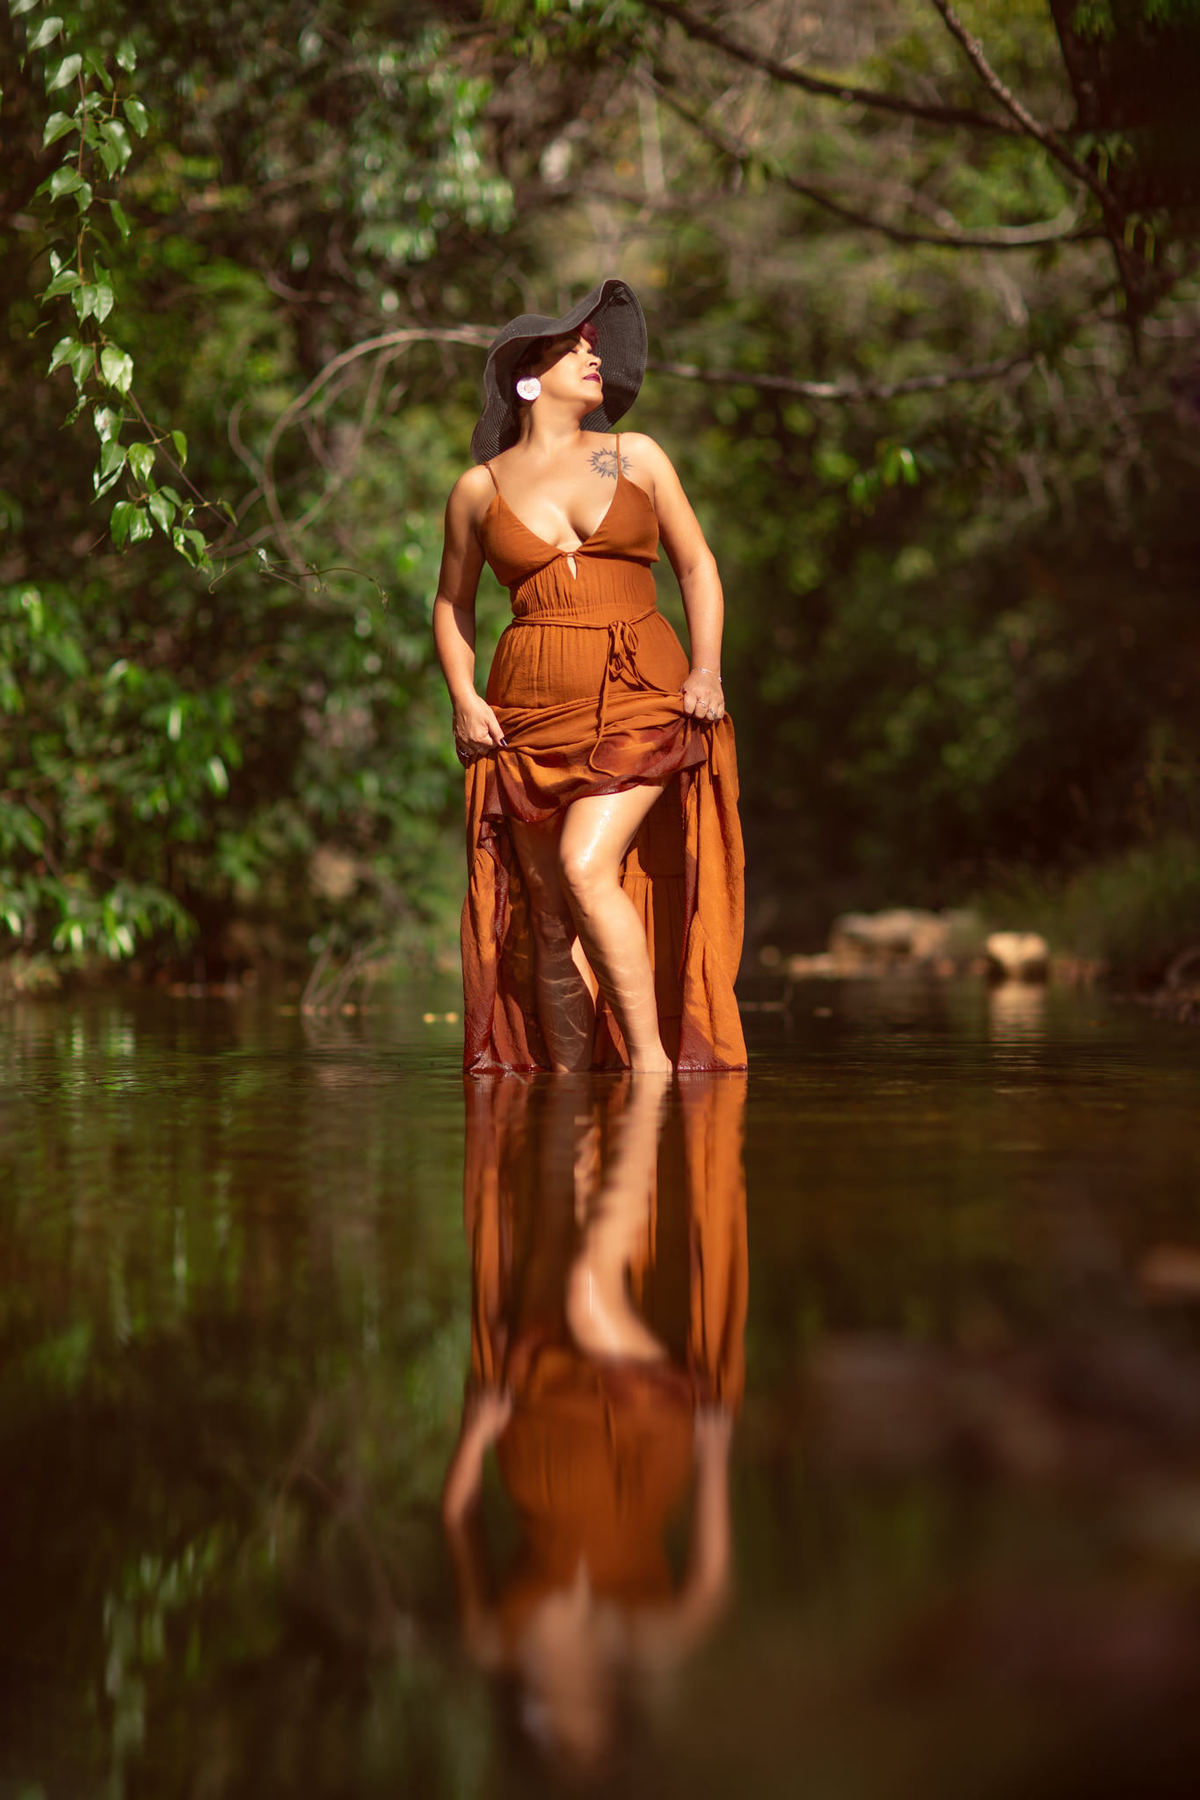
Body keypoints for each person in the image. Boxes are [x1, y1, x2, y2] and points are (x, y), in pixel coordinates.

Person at [432, 277, 746, 1073]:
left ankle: (650, 1071)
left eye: (593, 347)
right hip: (527, 710)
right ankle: (567, 1103)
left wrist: (706, 669)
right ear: (527, 377)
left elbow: (698, 566)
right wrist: (464, 699)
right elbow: (452, 605)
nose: (591, 356)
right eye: (572, 348)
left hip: (640, 688)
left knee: (583, 864)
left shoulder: (634, 455)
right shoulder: (479, 489)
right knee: (546, 912)